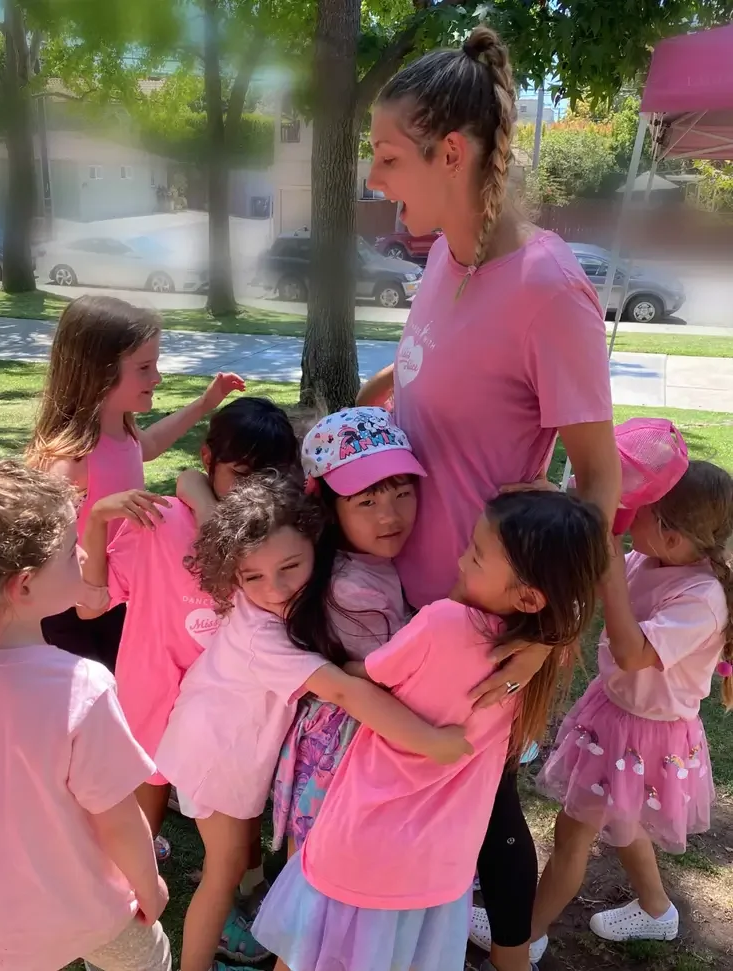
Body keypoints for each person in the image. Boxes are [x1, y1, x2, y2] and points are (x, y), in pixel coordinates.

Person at [357, 25, 621, 971]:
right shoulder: (445, 254)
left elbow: (599, 478)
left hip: (480, 620)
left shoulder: (550, 290)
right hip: (405, 591)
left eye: (389, 156)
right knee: (439, 803)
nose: (374, 177)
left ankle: (512, 953)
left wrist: (552, 631)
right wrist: (368, 402)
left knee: (488, 810)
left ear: (453, 153)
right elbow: (430, 367)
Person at [251, 489, 609, 971]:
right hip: (442, 864)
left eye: (476, 557)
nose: (461, 562)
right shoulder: (542, 656)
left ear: (528, 596)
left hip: (367, 839)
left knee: (306, 955)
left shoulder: (443, 623)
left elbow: (372, 674)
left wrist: (336, 666)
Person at [153, 473, 471, 971]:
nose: (274, 588)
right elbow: (343, 689)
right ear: (234, 571)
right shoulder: (264, 635)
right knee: (224, 869)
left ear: (315, 544)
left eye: (290, 567)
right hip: (215, 757)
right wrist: (432, 742)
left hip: (216, 739)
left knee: (233, 859)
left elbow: (211, 511)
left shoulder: (261, 576)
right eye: (253, 577)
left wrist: (194, 489)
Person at [78, 398, 299, 874]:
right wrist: (96, 520)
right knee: (148, 793)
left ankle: (247, 883)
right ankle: (136, 884)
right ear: (208, 459)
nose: (250, 494)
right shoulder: (159, 523)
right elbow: (89, 604)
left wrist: (200, 495)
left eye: (267, 479)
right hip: (153, 691)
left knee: (239, 798)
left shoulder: (281, 538)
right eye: (240, 475)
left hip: (229, 706)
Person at [532, 460, 733, 945]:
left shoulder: (701, 598)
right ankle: (656, 909)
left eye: (639, 508)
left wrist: (609, 565)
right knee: (622, 815)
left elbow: (632, 652)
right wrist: (562, 504)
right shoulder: (651, 558)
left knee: (572, 835)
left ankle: (522, 940)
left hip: (645, 734)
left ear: (672, 536)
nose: (627, 510)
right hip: (618, 714)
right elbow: (596, 576)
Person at [0, 460, 170, 971]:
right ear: (23, 586)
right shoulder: (79, 688)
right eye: (70, 551)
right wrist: (149, 884)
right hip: (88, 912)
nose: (85, 554)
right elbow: (118, 819)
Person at [25, 294, 244, 672]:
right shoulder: (70, 462)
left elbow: (151, 444)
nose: (156, 377)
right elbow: (40, 549)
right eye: (144, 367)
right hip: (75, 618)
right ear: (100, 371)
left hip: (117, 599)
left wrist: (205, 403)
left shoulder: (122, 431)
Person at [271, 406, 424, 853]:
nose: (390, 516)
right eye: (367, 502)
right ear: (330, 508)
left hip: (372, 725)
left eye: (403, 493)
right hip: (357, 738)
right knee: (334, 858)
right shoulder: (350, 588)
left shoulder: (369, 560)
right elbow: (394, 675)